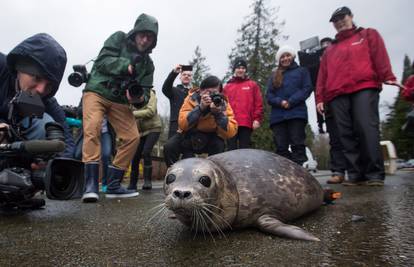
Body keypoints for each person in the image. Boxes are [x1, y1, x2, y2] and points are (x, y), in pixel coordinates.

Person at [316, 7, 399, 186]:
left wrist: (388, 76)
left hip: (364, 87)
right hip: (337, 94)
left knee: (365, 127)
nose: (339, 22)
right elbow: (322, 76)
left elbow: (380, 56)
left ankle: (374, 173)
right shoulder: (330, 50)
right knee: (345, 133)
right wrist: (320, 98)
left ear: (351, 17)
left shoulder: (368, 35)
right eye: (335, 20)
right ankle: (355, 174)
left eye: (342, 17)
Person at [81, 13, 158, 202]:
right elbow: (103, 60)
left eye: (150, 37)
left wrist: (138, 98)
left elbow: (146, 93)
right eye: (143, 34)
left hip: (121, 101)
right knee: (93, 128)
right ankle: (90, 185)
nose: (145, 39)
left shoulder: (149, 65)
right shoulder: (118, 38)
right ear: (135, 33)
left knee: (132, 137)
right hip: (97, 91)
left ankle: (114, 184)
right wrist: (127, 66)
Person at [0, 33, 75, 157]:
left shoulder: (47, 100)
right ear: (19, 67)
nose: (41, 90)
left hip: (14, 151)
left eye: (49, 85)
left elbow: (66, 140)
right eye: (37, 78)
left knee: (46, 124)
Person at [163, 76, 238, 167]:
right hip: (189, 134)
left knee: (219, 145)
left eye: (215, 92)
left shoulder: (223, 103)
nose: (212, 95)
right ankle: (173, 173)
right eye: (209, 92)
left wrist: (218, 114)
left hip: (211, 136)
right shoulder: (191, 99)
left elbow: (231, 132)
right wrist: (200, 108)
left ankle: (213, 174)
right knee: (169, 147)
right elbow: (182, 124)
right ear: (201, 90)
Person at [266, 45, 313, 166]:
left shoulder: (302, 71)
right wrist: (280, 102)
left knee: (297, 143)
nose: (285, 58)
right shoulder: (274, 75)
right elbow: (269, 95)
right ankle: (284, 172)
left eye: (287, 55)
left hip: (297, 113)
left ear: (292, 56)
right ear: (279, 59)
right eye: (282, 57)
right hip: (278, 116)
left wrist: (291, 101)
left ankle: (300, 171)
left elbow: (307, 89)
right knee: (281, 147)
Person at [318, 37, 347, 184]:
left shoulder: (342, 60)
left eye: (328, 47)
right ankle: (338, 170)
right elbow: (318, 84)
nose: (326, 50)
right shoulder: (320, 66)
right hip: (328, 104)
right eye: (323, 49)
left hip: (345, 100)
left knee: (349, 135)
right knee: (335, 139)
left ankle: (357, 170)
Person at [223, 58, 263, 149]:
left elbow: (258, 103)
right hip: (231, 123)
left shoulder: (252, 85)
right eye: (238, 68)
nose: (240, 70)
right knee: (231, 149)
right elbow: (223, 105)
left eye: (243, 68)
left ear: (245, 70)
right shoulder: (227, 87)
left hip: (246, 123)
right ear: (234, 70)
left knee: (244, 150)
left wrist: (257, 119)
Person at [128, 89, 161, 191]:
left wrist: (132, 114)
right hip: (139, 131)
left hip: (153, 128)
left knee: (146, 151)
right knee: (135, 155)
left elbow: (151, 111)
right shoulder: (129, 94)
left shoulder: (150, 93)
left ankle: (147, 181)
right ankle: (132, 183)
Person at [162, 64, 193, 138]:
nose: (186, 76)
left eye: (189, 75)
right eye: (184, 74)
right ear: (180, 77)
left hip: (191, 126)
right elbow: (165, 88)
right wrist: (174, 73)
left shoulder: (195, 93)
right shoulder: (174, 91)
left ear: (191, 78)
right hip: (176, 127)